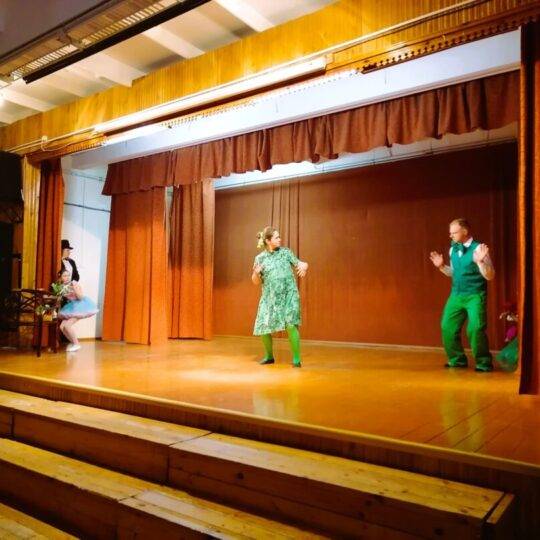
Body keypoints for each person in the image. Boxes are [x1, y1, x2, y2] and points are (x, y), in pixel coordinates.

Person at [430, 218, 495, 372]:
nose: (451, 235)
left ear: (465, 231)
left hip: (475, 295)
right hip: (456, 295)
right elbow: (455, 273)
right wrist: (441, 266)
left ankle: (483, 363)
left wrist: (480, 262)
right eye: (450, 233)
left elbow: (490, 275)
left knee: (475, 329)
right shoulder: (452, 249)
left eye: (454, 232)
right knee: (447, 327)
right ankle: (457, 360)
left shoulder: (479, 249)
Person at [252, 227, 308, 367]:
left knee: (291, 324)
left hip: (289, 294)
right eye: (276, 237)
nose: (280, 239)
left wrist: (304, 266)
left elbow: (300, 263)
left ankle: (296, 360)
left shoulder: (286, 252)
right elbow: (255, 281)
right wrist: (256, 273)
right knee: (264, 327)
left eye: (279, 237)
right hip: (270, 297)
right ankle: (269, 356)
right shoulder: (260, 258)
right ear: (268, 241)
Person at [56, 269, 98, 352]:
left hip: (80, 306)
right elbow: (59, 299)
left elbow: (81, 297)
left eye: (68, 275)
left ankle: (76, 344)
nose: (67, 277)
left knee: (67, 326)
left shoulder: (74, 283)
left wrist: (75, 290)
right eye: (65, 276)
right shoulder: (61, 287)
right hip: (71, 307)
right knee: (62, 327)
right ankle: (74, 343)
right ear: (60, 277)